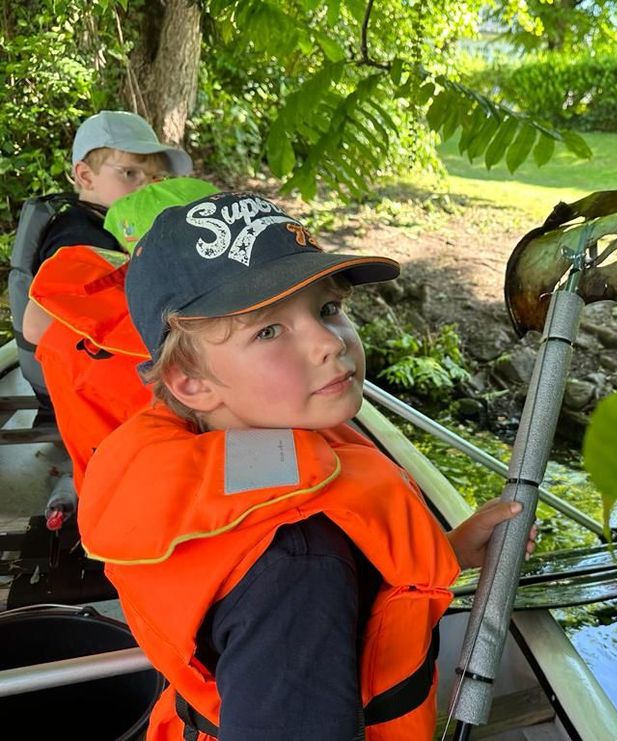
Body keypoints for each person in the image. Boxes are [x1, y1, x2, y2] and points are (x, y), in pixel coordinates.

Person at [78, 192, 533, 740]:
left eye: (328, 309)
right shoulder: (299, 565)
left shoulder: (223, 458)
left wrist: (451, 550)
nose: (328, 343)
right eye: (269, 330)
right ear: (190, 383)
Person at [26, 178, 219, 520]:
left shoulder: (60, 330)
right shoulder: (186, 346)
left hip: (106, 507)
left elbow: (33, 327)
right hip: (185, 512)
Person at [17, 110, 192, 413]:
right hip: (81, 388)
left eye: (155, 178)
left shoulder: (113, 224)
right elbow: (38, 324)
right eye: (130, 173)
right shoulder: (80, 234)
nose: (146, 187)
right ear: (85, 175)